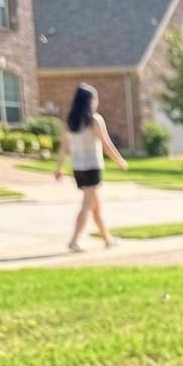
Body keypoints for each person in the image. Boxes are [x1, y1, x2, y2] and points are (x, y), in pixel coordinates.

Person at [55, 83, 128, 251]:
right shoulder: (94, 119)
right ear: (89, 101)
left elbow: (63, 147)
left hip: (78, 168)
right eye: (95, 98)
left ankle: (108, 239)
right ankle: (75, 241)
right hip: (92, 167)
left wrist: (58, 168)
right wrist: (120, 160)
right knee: (87, 205)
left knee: (96, 207)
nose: (97, 102)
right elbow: (106, 144)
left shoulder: (71, 122)